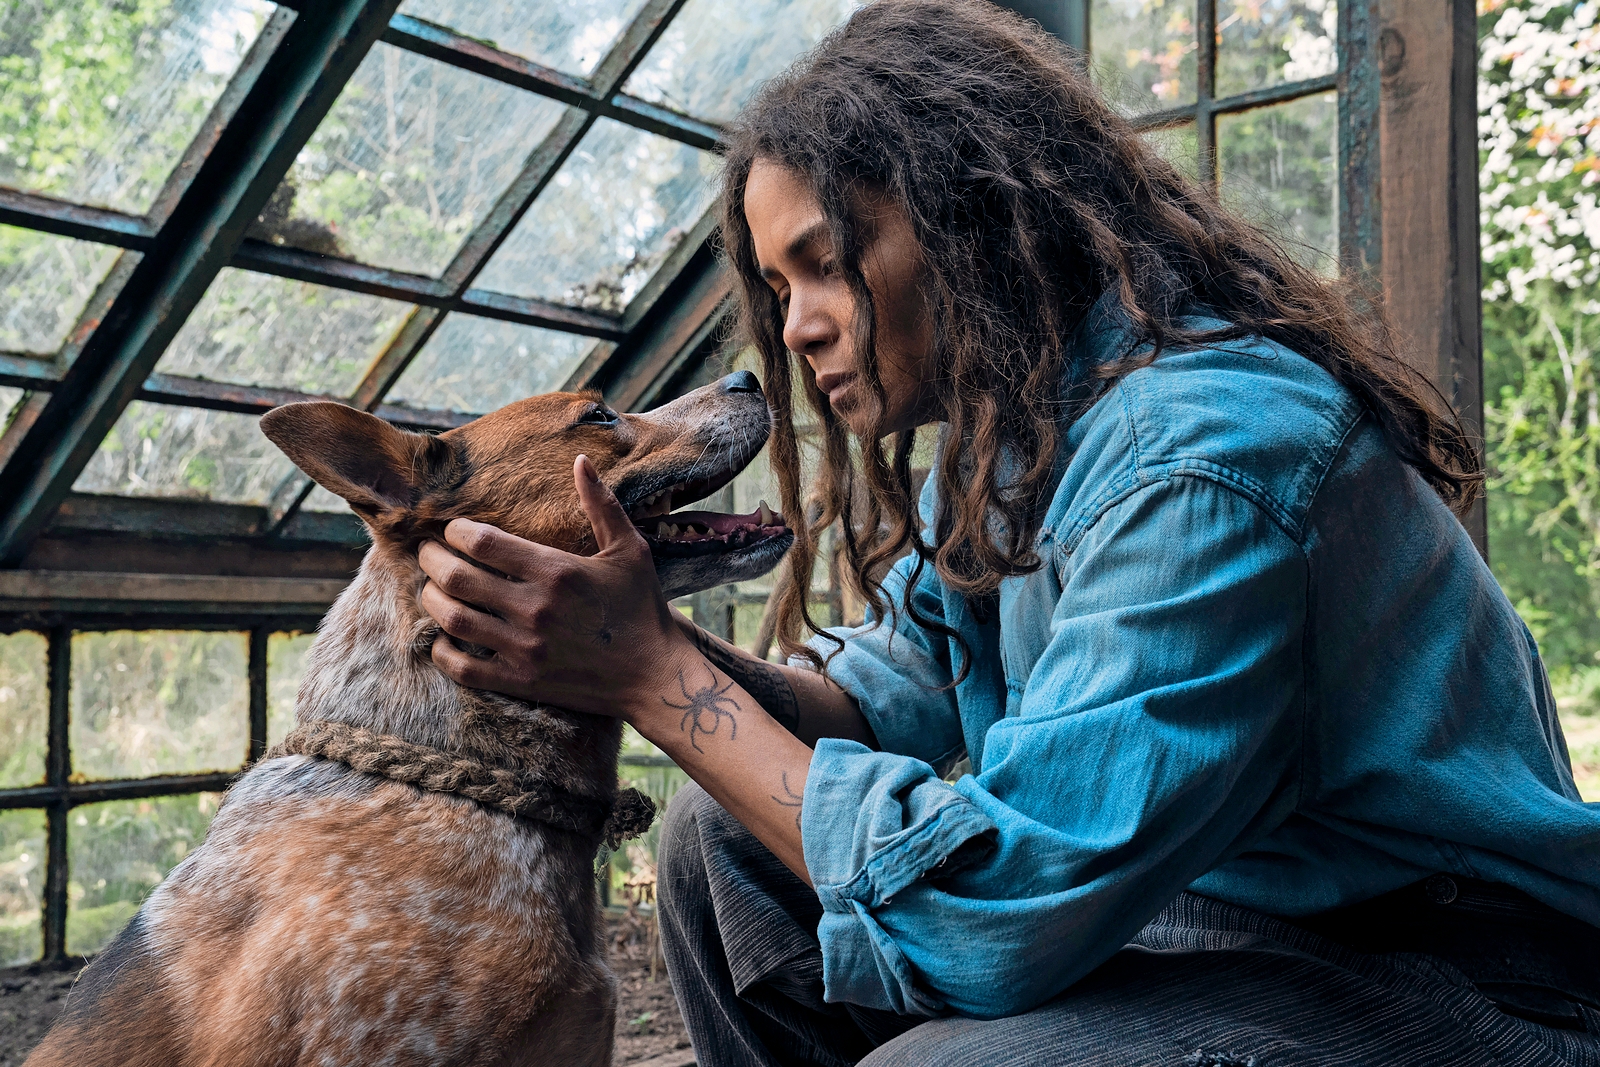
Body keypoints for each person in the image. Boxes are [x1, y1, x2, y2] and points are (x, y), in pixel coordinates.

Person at [414, 1, 1600, 1063]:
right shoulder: (1016, 439)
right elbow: (887, 693)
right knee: (721, 840)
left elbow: (1003, 912)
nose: (797, 331)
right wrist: (622, 627)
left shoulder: (1203, 460)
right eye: (779, 290)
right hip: (1199, 914)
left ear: (976, 220)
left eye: (828, 266)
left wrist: (652, 674)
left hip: (1452, 978)